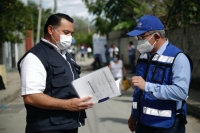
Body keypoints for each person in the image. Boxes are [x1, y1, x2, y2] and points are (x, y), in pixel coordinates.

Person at [17, 13, 94, 133]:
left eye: (71, 34)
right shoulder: (35, 57)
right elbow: (31, 97)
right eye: (66, 32)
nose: (69, 37)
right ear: (50, 30)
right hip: (48, 128)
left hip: (69, 125)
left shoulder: (65, 55)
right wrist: (67, 104)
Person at [127, 14, 192, 133]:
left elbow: (181, 92)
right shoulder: (143, 56)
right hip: (143, 123)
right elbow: (138, 92)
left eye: (142, 37)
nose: (139, 41)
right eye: (138, 38)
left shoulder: (178, 58)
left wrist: (147, 86)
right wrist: (134, 114)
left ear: (156, 36)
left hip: (167, 126)